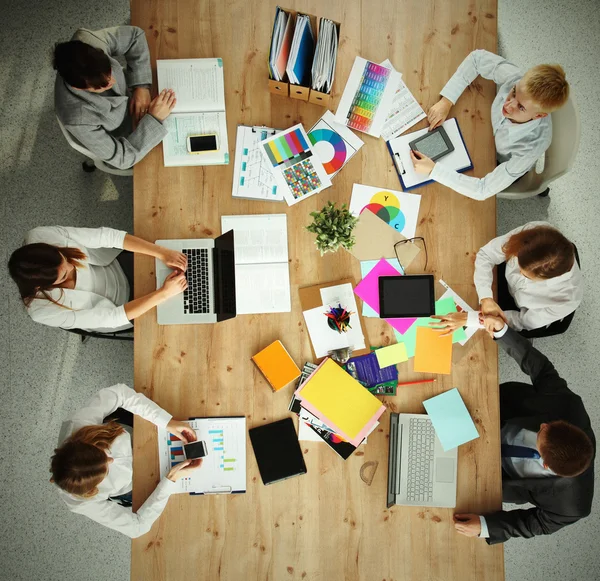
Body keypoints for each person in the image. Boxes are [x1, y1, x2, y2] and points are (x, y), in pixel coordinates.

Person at [449, 315, 595, 543]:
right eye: (550, 425)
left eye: (541, 433)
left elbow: (535, 524)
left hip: (490, 472)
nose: (544, 424)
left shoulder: (572, 506)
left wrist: (485, 526)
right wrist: (502, 332)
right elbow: (541, 369)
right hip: (493, 414)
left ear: (546, 464)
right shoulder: (569, 407)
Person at [410, 49, 569, 200]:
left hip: (502, 162)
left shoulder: (530, 149)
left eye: (520, 107)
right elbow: (476, 59)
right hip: (485, 131)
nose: (508, 106)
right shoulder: (517, 79)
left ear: (539, 115)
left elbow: (483, 189)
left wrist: (433, 170)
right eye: (513, 92)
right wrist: (447, 101)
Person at [51, 383, 202, 537]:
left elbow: (120, 393)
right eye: (106, 471)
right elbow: (137, 527)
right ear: (92, 491)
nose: (111, 460)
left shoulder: (79, 425)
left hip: (135, 432)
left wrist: (166, 422)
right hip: (134, 482)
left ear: (84, 441)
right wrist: (170, 480)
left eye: (102, 451)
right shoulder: (81, 502)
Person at [8, 225, 187, 333]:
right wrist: (164, 293)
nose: (72, 267)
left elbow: (107, 236)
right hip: (124, 307)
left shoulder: (40, 236)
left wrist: (162, 252)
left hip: (117, 263)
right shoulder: (42, 311)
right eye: (64, 275)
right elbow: (111, 318)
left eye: (64, 258)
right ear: (42, 286)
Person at [54, 26, 176, 169]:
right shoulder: (77, 119)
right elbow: (122, 159)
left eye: (110, 70)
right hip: (131, 135)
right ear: (79, 88)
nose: (112, 81)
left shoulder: (88, 41)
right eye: (103, 85)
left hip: (138, 95)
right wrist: (154, 119)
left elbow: (134, 37)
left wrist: (141, 86)